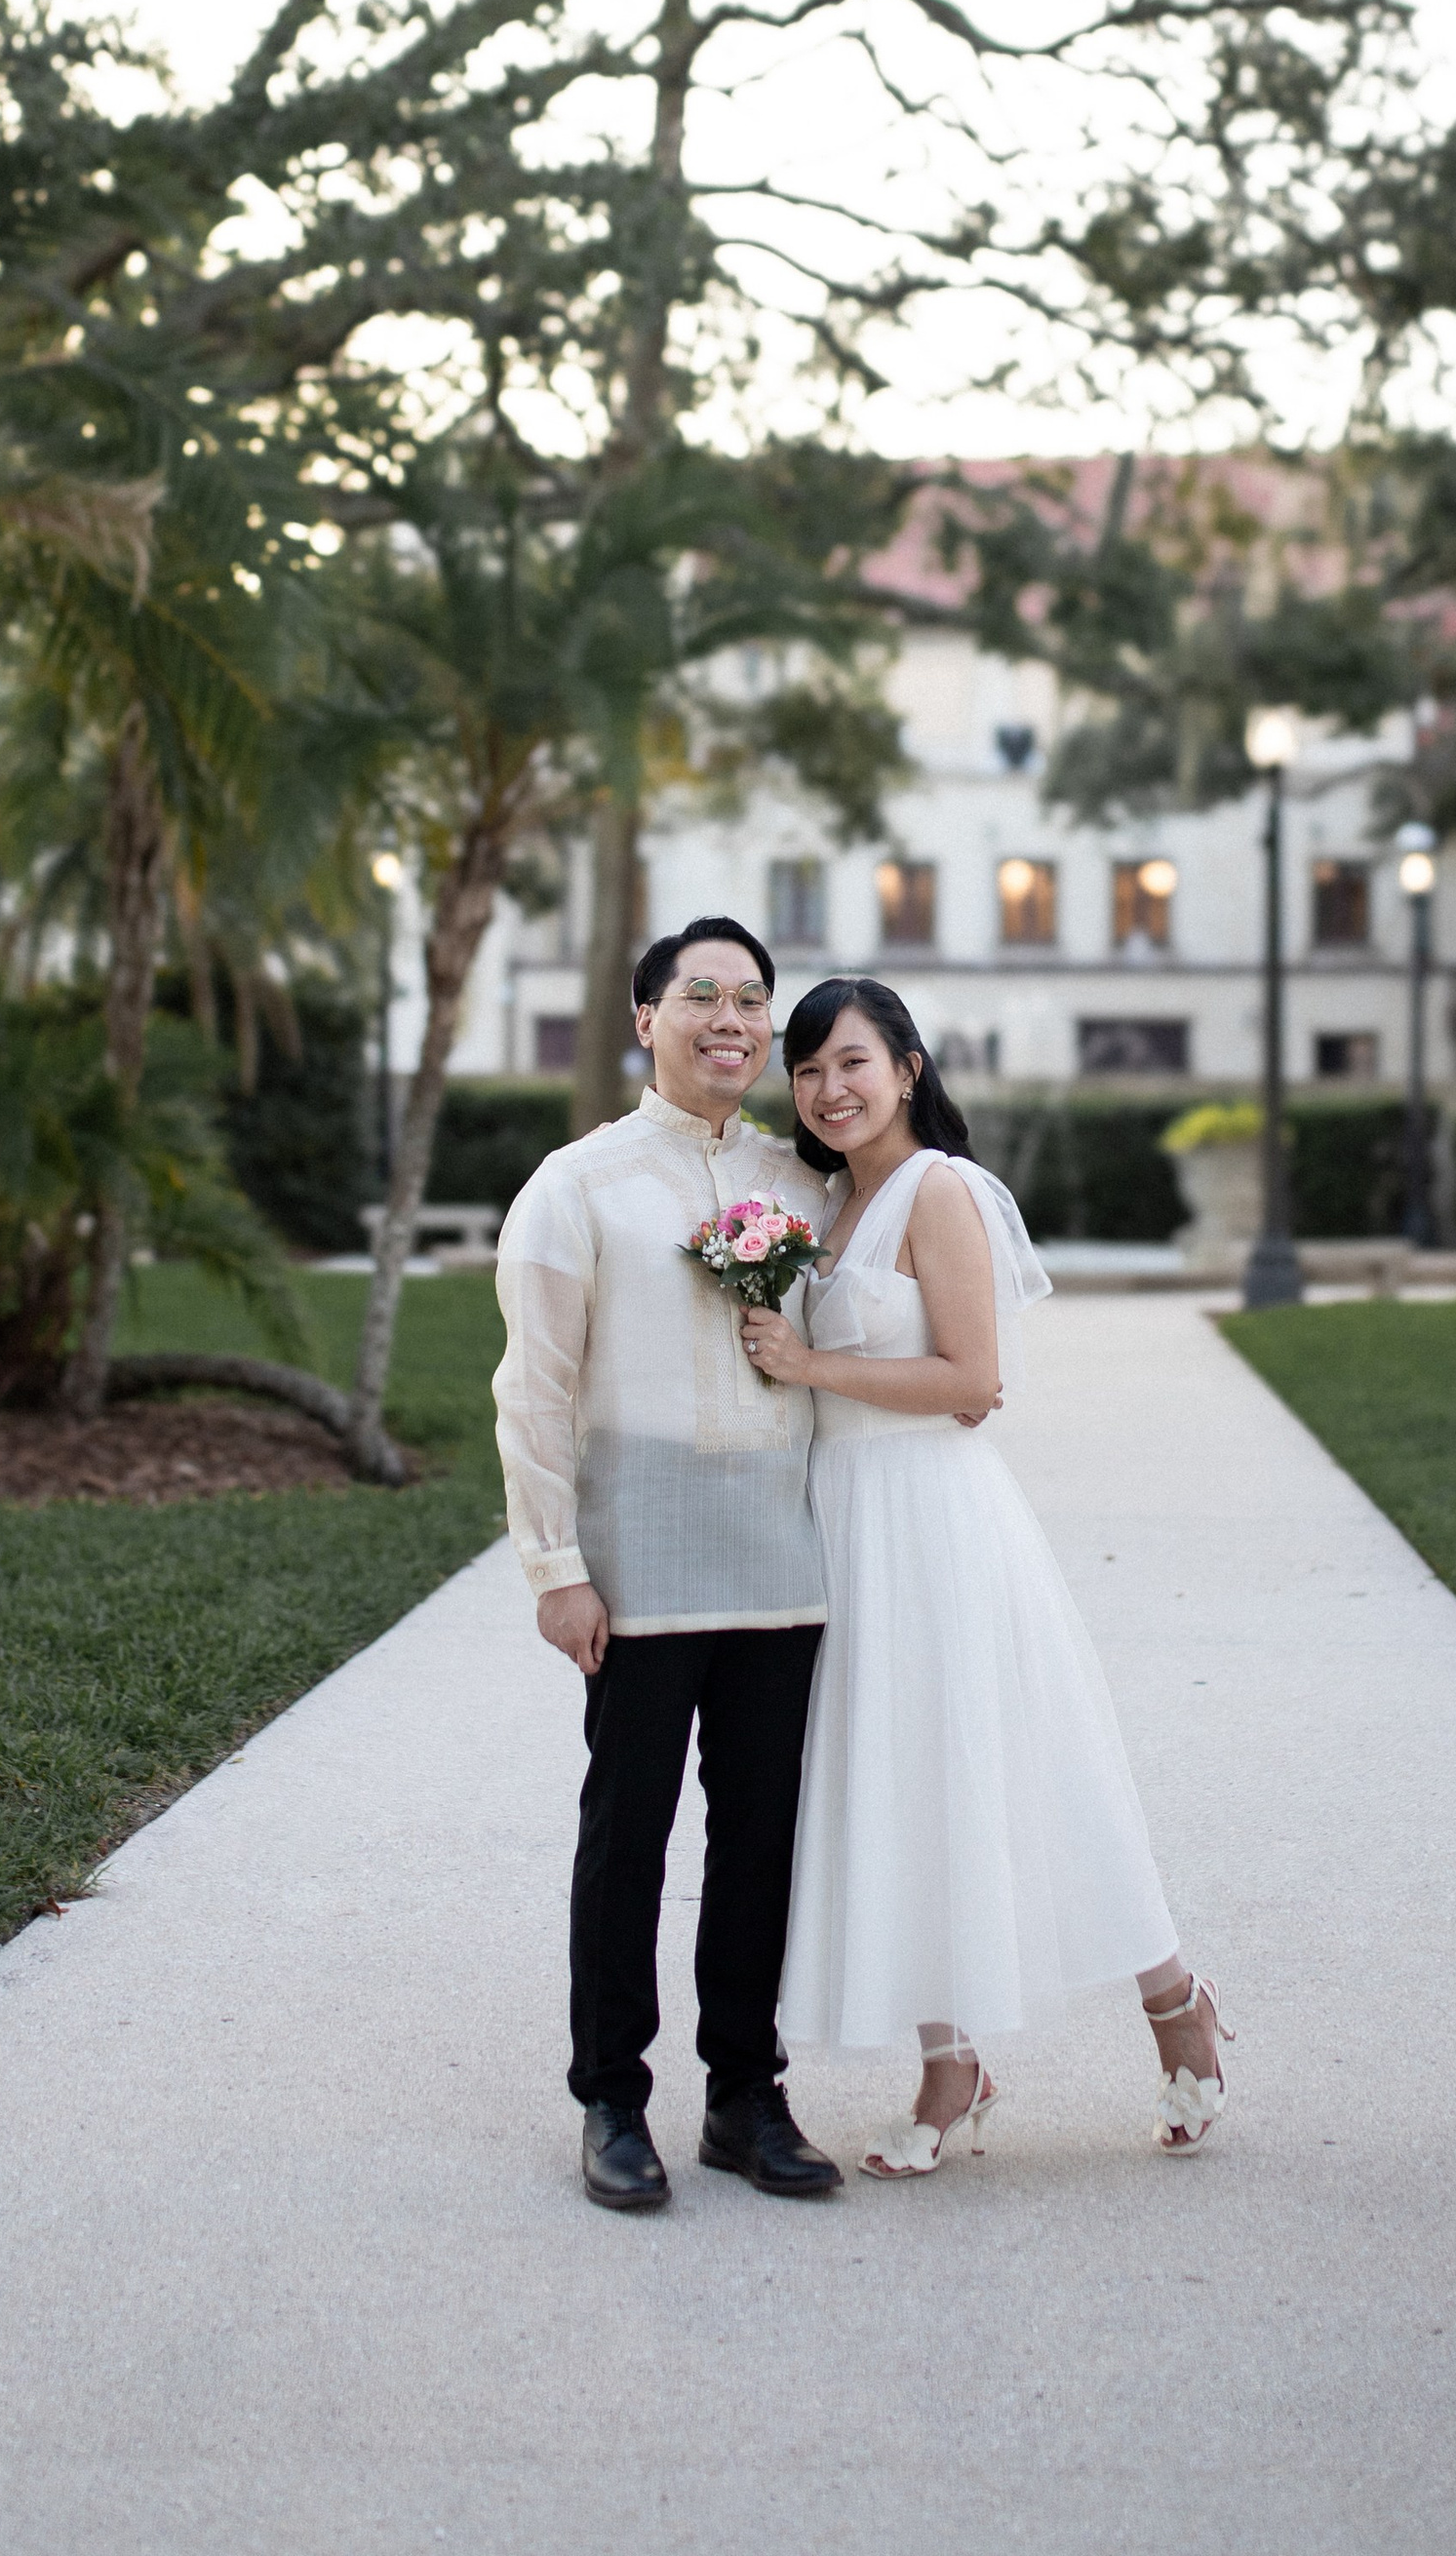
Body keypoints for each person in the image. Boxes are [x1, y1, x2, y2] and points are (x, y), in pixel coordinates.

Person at [741, 976, 1233, 2173]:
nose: (829, 1089)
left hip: (931, 1517)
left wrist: (808, 1363)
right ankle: (950, 2068)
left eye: (852, 1061)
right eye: (806, 1070)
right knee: (900, 1783)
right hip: (841, 1525)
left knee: (1027, 1768)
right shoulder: (821, 1199)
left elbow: (972, 1384)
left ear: (908, 1066)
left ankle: (1178, 2006)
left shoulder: (939, 1189)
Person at [492, 917, 846, 2214]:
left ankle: (746, 2096)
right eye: (699, 995)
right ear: (645, 1020)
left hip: (780, 1563)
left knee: (761, 1836)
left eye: (752, 998)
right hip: (638, 1563)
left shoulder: (806, 1185)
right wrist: (554, 1567)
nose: (730, 1019)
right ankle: (611, 2099)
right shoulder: (577, 1186)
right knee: (628, 1831)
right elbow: (531, 1392)